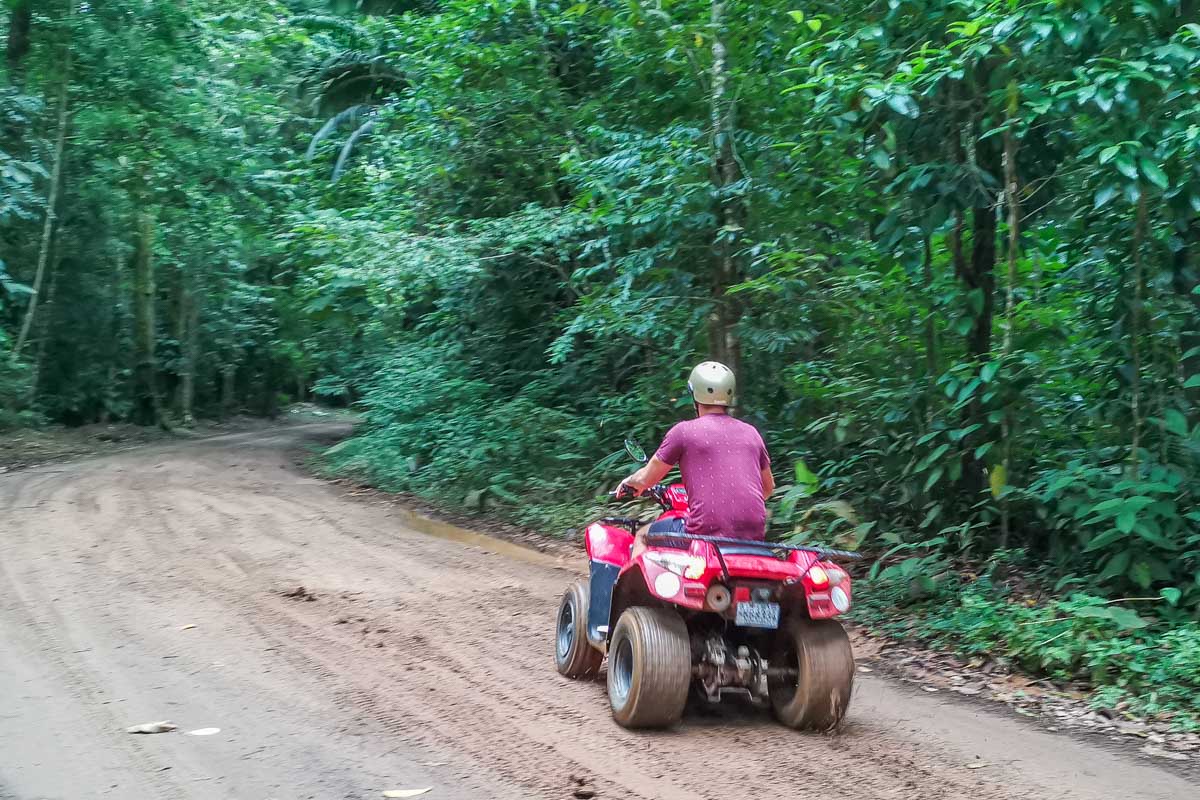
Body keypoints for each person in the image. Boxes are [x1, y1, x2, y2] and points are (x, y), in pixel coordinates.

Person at [618, 361, 775, 556]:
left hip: (702, 535)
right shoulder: (752, 433)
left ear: (694, 394)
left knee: (643, 534)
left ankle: (634, 577)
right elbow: (767, 488)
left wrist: (630, 482)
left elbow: (645, 479)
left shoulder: (683, 432)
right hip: (753, 538)